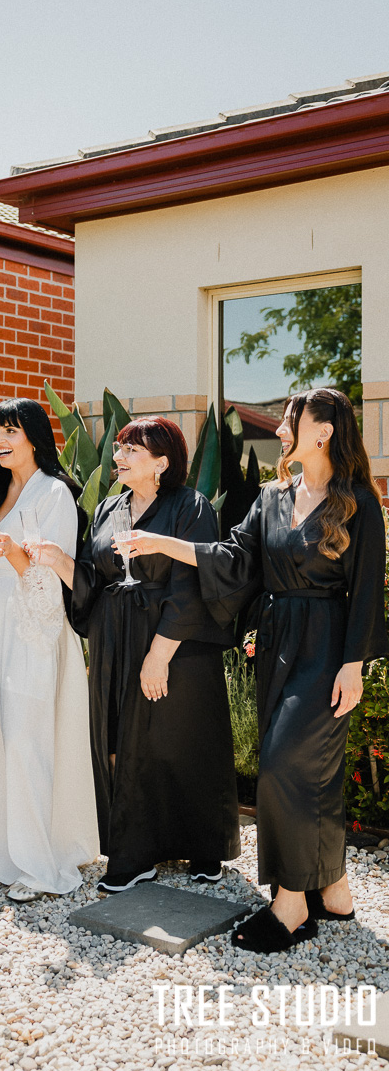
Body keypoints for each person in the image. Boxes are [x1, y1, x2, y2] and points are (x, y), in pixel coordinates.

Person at [129, 389, 389, 952]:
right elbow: (234, 559)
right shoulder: (272, 496)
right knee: (313, 773)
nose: (281, 430)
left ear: (324, 431)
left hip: (327, 649)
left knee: (282, 765)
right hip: (276, 645)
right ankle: (334, 891)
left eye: (292, 420)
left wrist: (353, 665)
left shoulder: (358, 503)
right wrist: (163, 544)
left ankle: (291, 904)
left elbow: (367, 589)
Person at [37, 415, 240, 894]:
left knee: (179, 744)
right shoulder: (110, 507)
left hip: (174, 644)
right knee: (117, 741)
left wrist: (159, 655)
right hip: (115, 638)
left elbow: (190, 586)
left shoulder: (190, 506)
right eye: (119, 447)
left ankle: (201, 846)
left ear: (161, 463)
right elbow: (94, 579)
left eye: (132, 450)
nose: (119, 456)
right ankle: (136, 852)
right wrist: (57, 560)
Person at [0, 398, 99, 902]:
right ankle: (0, 850)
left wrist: (12, 555)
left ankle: (40, 863)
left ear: (34, 436)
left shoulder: (55, 494)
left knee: (26, 735)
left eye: (11, 430)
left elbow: (51, 579)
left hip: (33, 626)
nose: (0, 441)